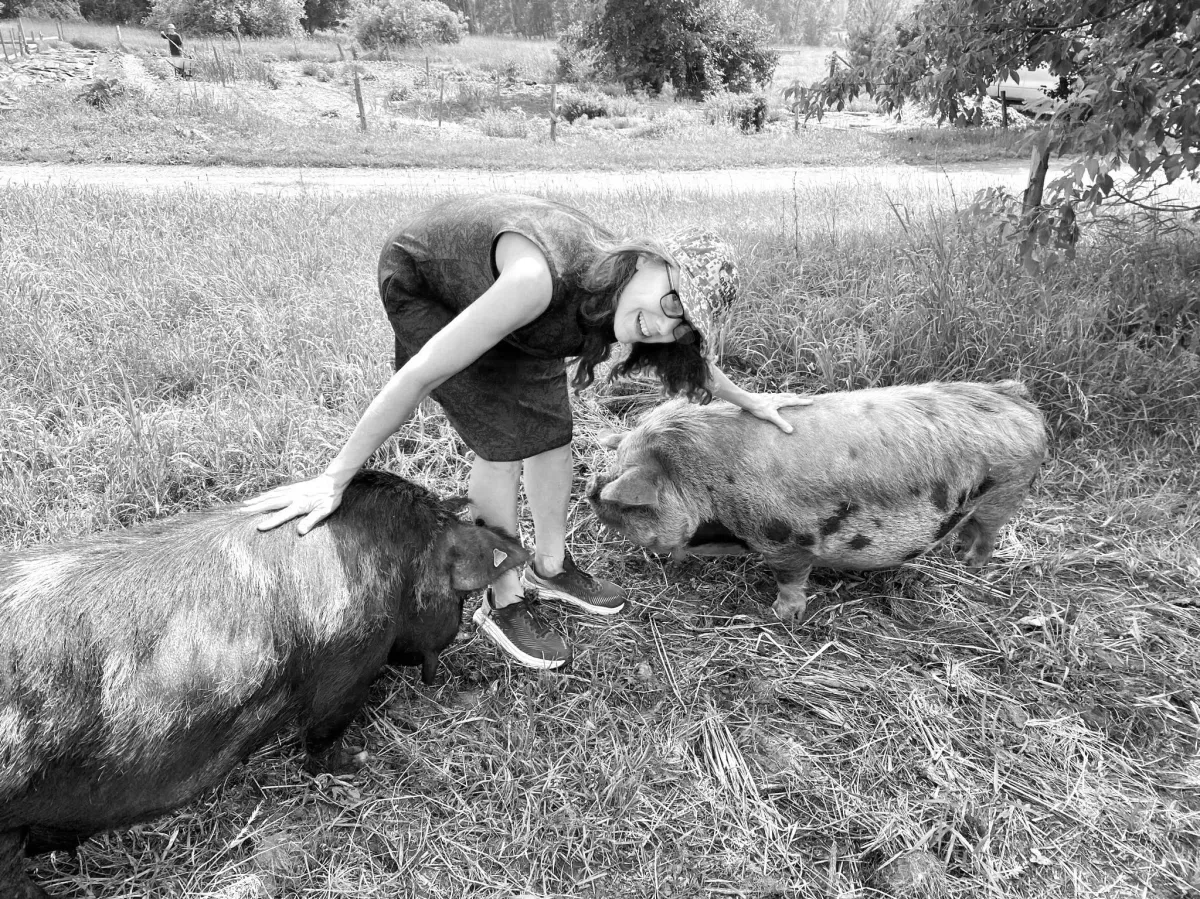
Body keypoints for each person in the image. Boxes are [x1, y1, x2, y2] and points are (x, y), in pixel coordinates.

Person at [244, 193, 808, 671]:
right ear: (646, 262)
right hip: (431, 288)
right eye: (669, 302)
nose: (662, 324)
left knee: (552, 434)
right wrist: (337, 476)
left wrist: (747, 400)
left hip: (519, 311)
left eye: (679, 323)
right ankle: (503, 595)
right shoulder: (537, 282)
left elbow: (691, 360)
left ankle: (552, 567)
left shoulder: (609, 291)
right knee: (506, 439)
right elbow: (422, 374)